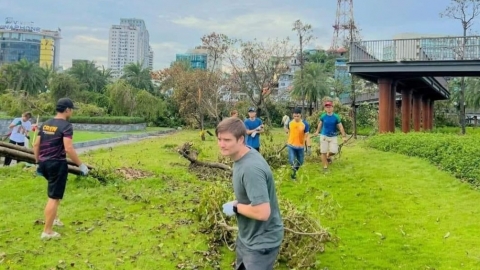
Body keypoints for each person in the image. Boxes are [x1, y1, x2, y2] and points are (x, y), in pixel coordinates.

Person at [217, 117, 284, 270]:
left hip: (261, 242)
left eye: (227, 140)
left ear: (241, 139)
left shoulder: (250, 169)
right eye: (219, 139)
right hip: (248, 237)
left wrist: (235, 207)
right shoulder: (242, 156)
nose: (221, 144)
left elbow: (262, 212)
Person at [33, 98, 89, 240]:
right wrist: (81, 165)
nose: (72, 112)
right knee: (54, 197)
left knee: (53, 193)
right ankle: (47, 231)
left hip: (44, 163)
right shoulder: (66, 126)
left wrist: (38, 161)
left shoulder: (46, 124)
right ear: (67, 110)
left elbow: (35, 144)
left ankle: (54, 219)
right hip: (57, 164)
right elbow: (68, 148)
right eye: (72, 109)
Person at [314, 101, 347, 171]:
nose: (328, 108)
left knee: (334, 151)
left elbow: (340, 127)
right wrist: (317, 131)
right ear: (325, 108)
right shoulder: (323, 116)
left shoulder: (336, 116)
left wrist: (344, 136)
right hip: (324, 136)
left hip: (333, 136)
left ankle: (328, 156)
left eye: (330, 107)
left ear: (332, 108)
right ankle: (325, 167)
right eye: (327, 107)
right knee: (323, 152)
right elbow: (320, 124)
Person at [284, 108, 311, 180]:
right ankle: (293, 176)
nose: (296, 118)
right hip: (291, 145)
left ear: (300, 115)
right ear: (293, 116)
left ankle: (294, 171)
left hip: (300, 147)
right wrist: (285, 125)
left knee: (300, 162)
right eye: (294, 116)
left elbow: (307, 136)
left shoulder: (305, 124)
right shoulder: (290, 123)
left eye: (297, 116)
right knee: (292, 161)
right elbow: (286, 131)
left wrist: (309, 147)